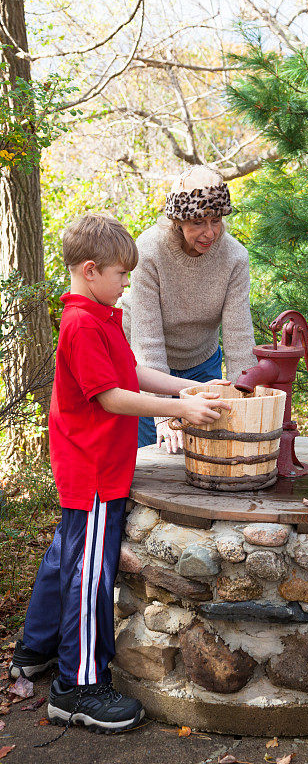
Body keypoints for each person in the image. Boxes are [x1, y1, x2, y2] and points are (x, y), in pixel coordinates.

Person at [8, 214, 230, 733]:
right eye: (120, 275)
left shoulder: (100, 314)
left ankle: (35, 650)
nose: (125, 285)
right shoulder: (83, 323)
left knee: (69, 552)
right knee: (90, 576)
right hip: (92, 469)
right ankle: (78, 686)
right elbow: (112, 398)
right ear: (90, 270)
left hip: (97, 466)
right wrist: (175, 411)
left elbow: (128, 373)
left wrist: (185, 389)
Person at [121, 164, 256, 453]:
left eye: (216, 220)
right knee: (155, 450)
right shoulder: (148, 251)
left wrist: (245, 401)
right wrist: (165, 415)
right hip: (148, 368)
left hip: (202, 362)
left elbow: (239, 338)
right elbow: (147, 341)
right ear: (178, 221)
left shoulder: (234, 257)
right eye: (198, 222)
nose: (209, 233)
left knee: (207, 448)